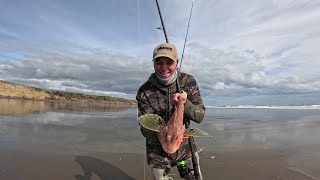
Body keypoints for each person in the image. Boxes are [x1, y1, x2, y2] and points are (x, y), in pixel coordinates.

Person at [136, 42, 205, 180]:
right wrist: (162, 133)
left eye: (169, 62)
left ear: (176, 62)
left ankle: (182, 165)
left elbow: (200, 116)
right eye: (159, 62)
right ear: (153, 63)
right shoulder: (144, 91)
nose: (164, 68)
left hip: (185, 145)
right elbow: (144, 127)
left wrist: (185, 104)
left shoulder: (188, 81)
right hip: (157, 146)